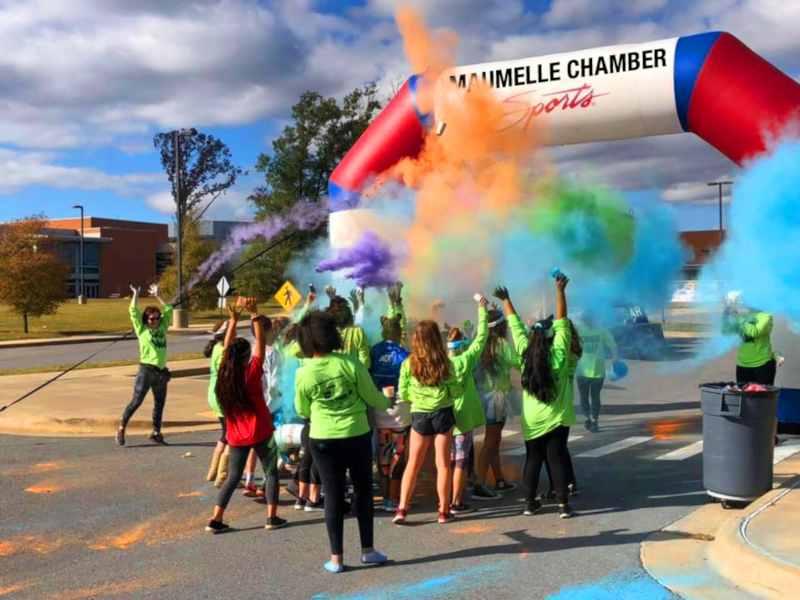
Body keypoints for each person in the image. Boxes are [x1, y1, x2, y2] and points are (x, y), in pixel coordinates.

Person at [294, 310, 391, 573]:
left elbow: (302, 409)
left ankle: (336, 558)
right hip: (356, 433)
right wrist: (387, 400)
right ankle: (367, 551)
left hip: (323, 438)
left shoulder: (304, 372)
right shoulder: (350, 364)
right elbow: (372, 397)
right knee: (363, 491)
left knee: (333, 494)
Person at [393, 298, 487, 526]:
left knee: (413, 464)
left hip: (419, 416)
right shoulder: (446, 363)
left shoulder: (409, 363)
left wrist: (418, 398)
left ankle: (402, 509)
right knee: (443, 465)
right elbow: (455, 391)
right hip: (443, 414)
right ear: (437, 339)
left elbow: (403, 393)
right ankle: (443, 512)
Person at [495, 278, 576, 519]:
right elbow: (562, 322)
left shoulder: (523, 355)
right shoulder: (559, 356)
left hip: (532, 420)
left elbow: (516, 326)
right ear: (551, 338)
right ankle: (563, 506)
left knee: (533, 460)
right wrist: (560, 291)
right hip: (557, 419)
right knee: (557, 459)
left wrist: (506, 300)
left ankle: (530, 504)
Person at [205, 300, 286, 533]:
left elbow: (231, 346)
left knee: (232, 478)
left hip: (236, 435)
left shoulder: (224, 375)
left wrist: (233, 321)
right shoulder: (251, 373)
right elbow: (261, 343)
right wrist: (254, 315)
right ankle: (272, 517)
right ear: (245, 358)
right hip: (261, 430)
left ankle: (215, 519)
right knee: (270, 472)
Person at [471, 308, 521, 501]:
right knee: (491, 441)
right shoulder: (501, 344)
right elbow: (518, 362)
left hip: (481, 396)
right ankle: (480, 484)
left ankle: (499, 479)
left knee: (495, 440)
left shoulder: (479, 342)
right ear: (501, 327)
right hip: (497, 398)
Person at [369, 287, 411, 512]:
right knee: (399, 454)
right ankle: (395, 497)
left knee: (383, 455)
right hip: (401, 410)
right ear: (398, 333)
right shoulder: (404, 354)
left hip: (379, 410)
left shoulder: (374, 351)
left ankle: (385, 497)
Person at [116, 284, 174, 447]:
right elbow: (133, 311)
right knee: (136, 401)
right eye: (152, 319)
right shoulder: (142, 329)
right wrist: (136, 294)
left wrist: (158, 294)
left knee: (159, 404)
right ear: (146, 320)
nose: (155, 321)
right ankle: (121, 428)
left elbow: (169, 308)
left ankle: (156, 433)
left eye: (157, 318)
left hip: (161, 372)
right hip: (146, 371)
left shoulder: (162, 327)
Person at [445, 305, 489, 515]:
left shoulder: (441, 364)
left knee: (446, 462)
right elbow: (482, 337)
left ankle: (443, 503)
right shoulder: (466, 360)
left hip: (443, 419)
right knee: (460, 463)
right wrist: (482, 310)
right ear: (462, 345)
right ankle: (456, 502)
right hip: (463, 420)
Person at [724, 306, 778, 444]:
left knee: (765, 402)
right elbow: (726, 331)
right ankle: (749, 434)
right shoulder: (744, 318)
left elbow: (754, 332)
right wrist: (725, 316)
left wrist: (738, 319)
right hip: (743, 365)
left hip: (763, 364)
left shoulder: (766, 316)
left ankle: (769, 435)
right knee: (745, 402)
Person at [576, 313, 617, 433]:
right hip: (581, 371)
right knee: (583, 397)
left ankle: (595, 421)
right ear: (584, 320)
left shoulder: (602, 330)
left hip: (597, 371)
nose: (589, 322)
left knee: (595, 397)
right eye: (586, 320)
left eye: (590, 320)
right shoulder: (579, 331)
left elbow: (612, 345)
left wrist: (615, 358)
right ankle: (586, 418)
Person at [204, 321, 230, 485]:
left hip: (213, 394)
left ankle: (213, 472)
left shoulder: (215, 347)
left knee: (225, 433)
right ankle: (222, 476)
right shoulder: (223, 350)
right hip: (223, 395)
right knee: (232, 436)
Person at [325, 290, 371, 367]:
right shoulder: (357, 332)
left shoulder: (325, 332)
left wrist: (333, 300)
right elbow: (365, 363)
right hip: (355, 376)